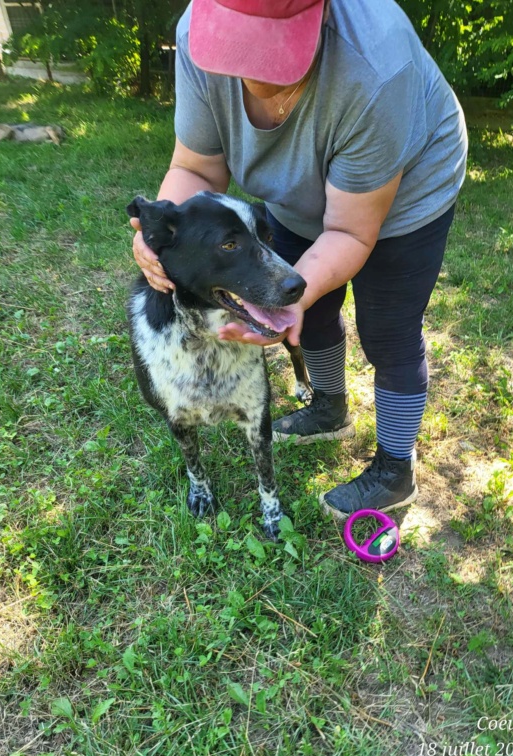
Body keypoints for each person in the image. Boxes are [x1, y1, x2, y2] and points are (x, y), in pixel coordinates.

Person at [131, 0, 468, 520]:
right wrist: (159, 239)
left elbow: (350, 231)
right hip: (296, 192)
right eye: (237, 42)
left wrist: (300, 285)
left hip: (406, 197)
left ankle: (395, 469)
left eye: (271, 43)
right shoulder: (196, 34)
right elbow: (195, 168)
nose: (249, 67)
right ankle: (330, 408)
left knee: (388, 330)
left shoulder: (378, 65)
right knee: (297, 308)